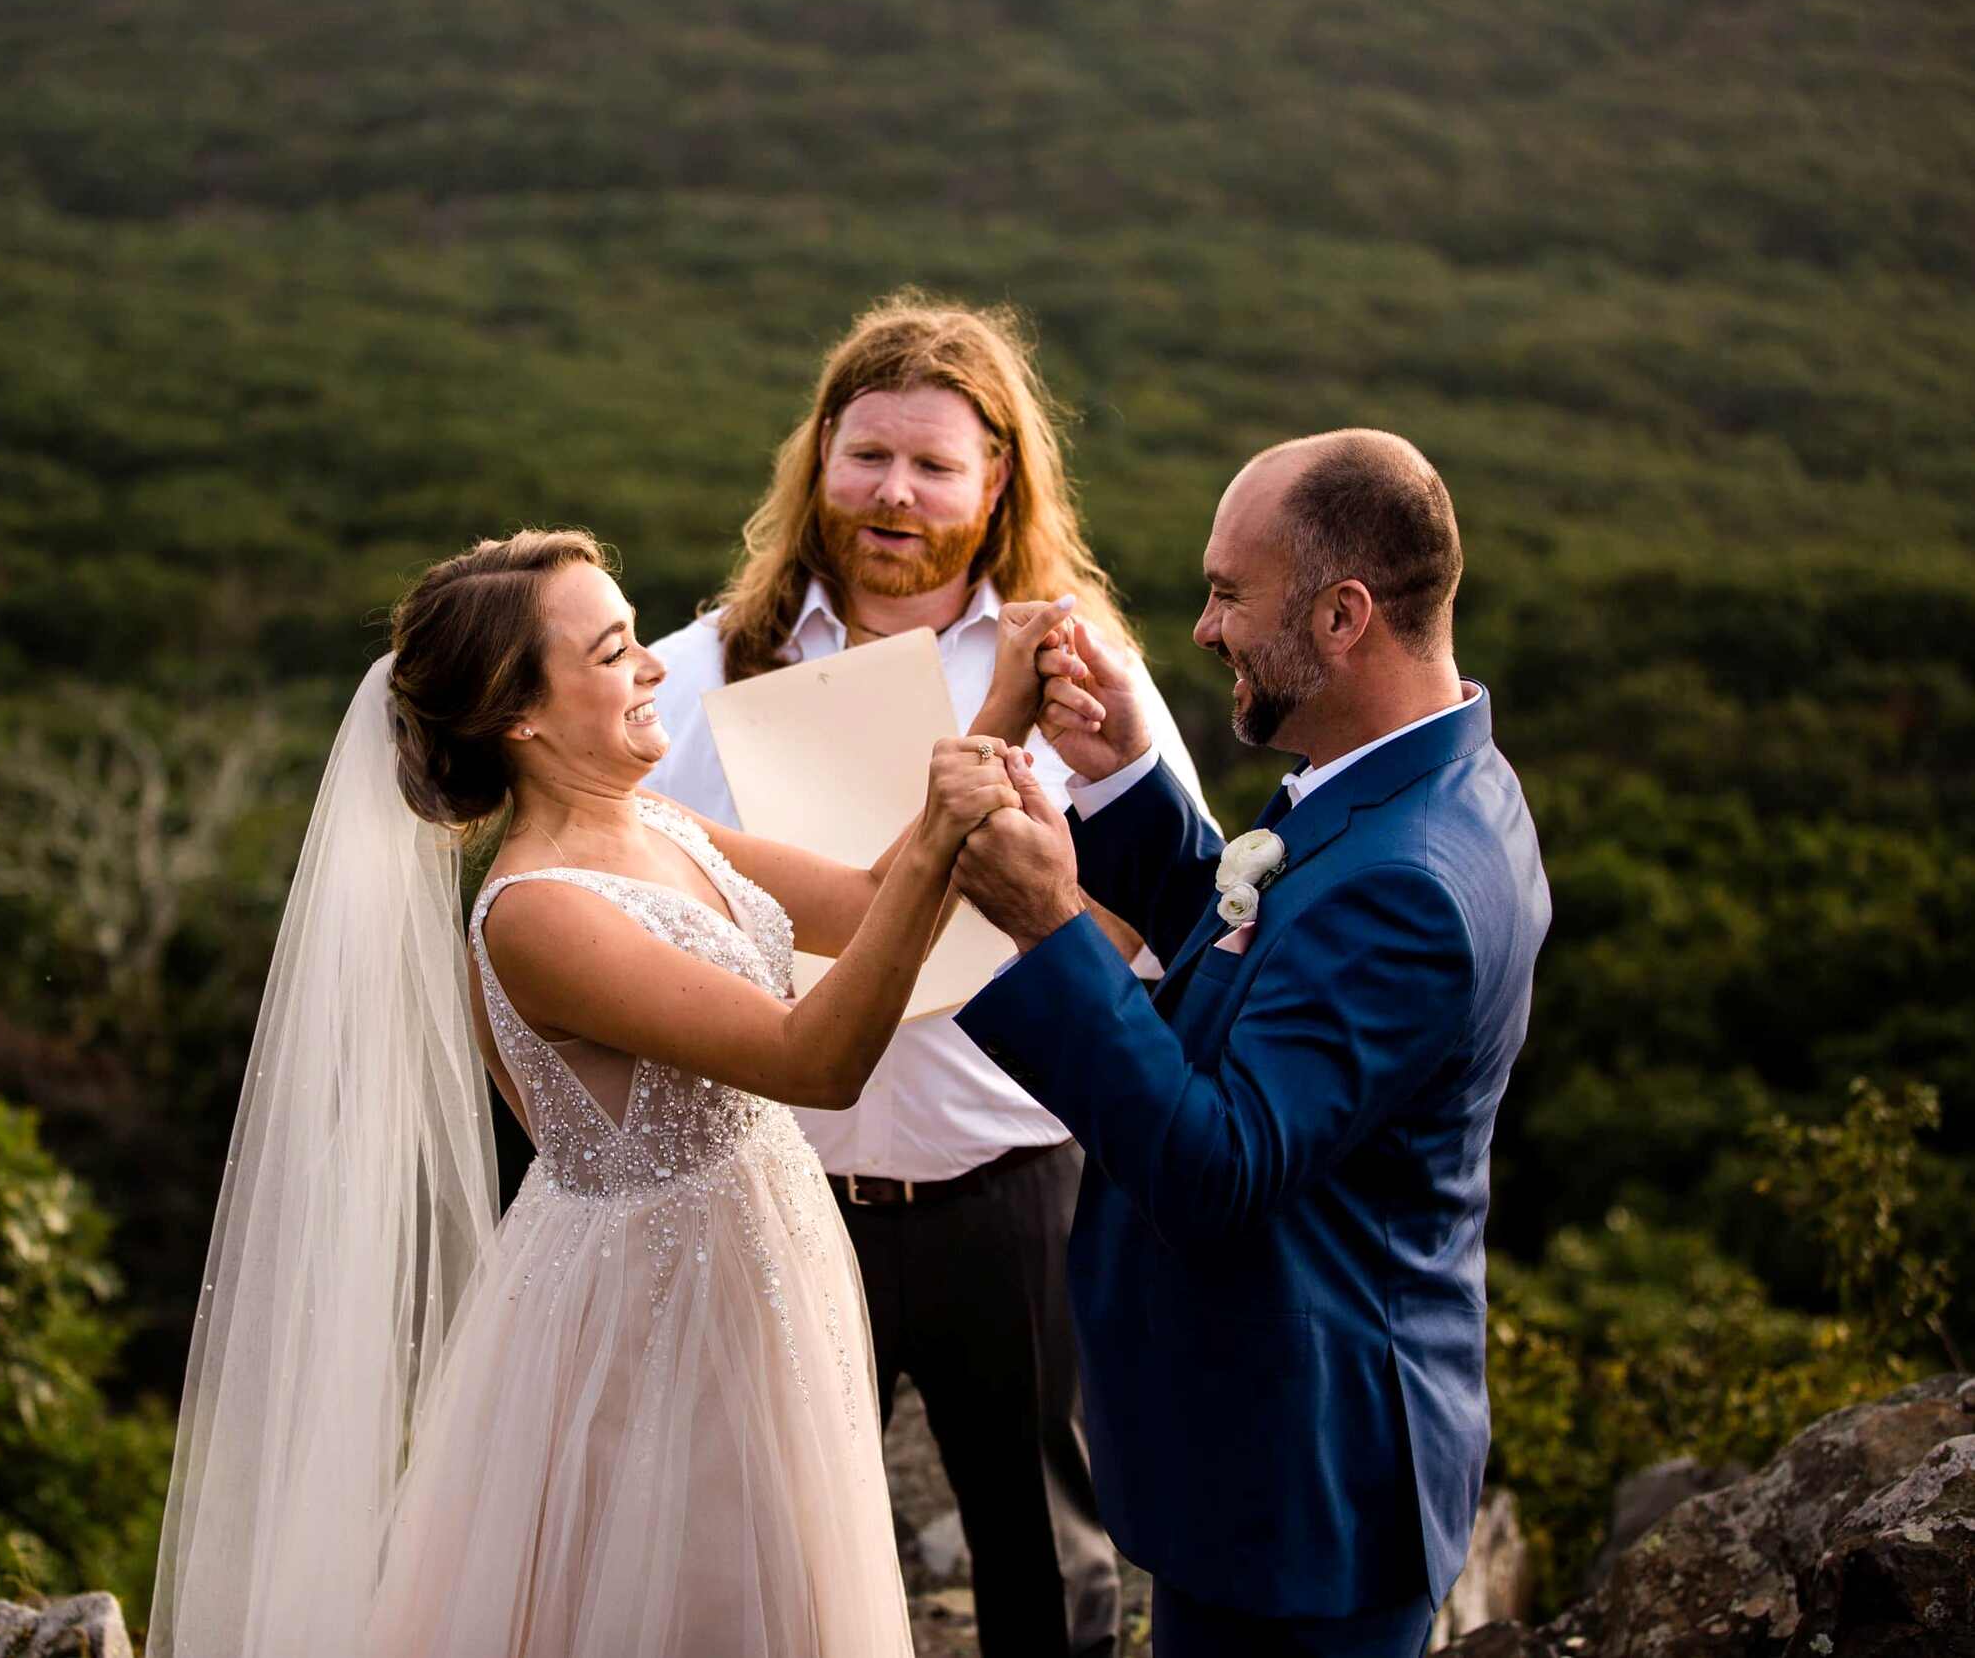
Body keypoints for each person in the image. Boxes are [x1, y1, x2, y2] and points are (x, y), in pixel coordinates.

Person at [149, 527, 1075, 1657]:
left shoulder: (661, 822)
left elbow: (872, 899)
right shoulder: (538, 910)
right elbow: (810, 1058)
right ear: (521, 718)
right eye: (614, 650)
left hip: (758, 1261)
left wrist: (999, 720)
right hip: (656, 1316)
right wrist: (943, 824)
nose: (652, 669)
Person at [645, 294, 1207, 1656]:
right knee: (758, 1554)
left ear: (999, 479)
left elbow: (1169, 932)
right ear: (818, 457)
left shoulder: (1087, 676)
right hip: (775, 1180)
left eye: (935, 464)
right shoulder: (695, 669)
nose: (893, 492)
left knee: (1052, 1562)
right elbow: (635, 900)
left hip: (1013, 1185)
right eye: (866, 453)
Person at [948, 431, 1552, 1658]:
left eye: (1229, 592)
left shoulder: (1415, 883)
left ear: (1343, 615)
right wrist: (1125, 781)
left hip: (1306, 1487)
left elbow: (1215, 1165)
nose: (1204, 629)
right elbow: (1259, 961)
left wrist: (1049, 921)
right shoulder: (1394, 781)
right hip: (1260, 1451)